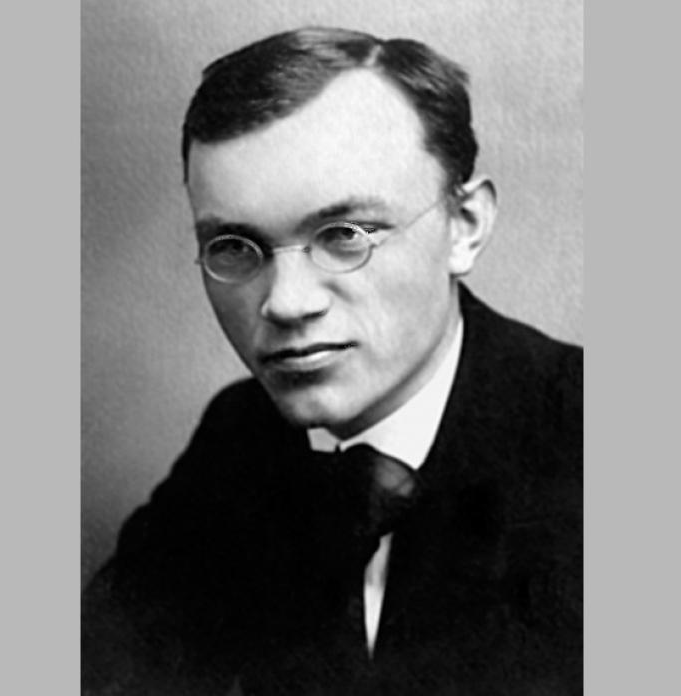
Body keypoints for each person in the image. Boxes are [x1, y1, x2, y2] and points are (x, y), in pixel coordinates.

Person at [82, 26, 582, 695]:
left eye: (344, 235)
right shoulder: (239, 438)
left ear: (465, 227)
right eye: (234, 246)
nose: (285, 303)